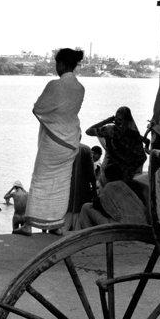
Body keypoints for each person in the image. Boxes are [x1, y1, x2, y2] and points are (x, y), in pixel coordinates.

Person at [18, 48, 86, 236]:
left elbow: (38, 108)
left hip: (54, 142)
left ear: (62, 64)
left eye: (57, 63)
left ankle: (28, 225)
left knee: (40, 179)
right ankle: (56, 225)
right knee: (62, 184)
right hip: (71, 140)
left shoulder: (54, 85)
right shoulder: (80, 88)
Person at [85, 107, 148, 183]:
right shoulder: (134, 134)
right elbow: (141, 155)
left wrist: (106, 121)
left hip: (110, 170)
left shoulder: (110, 130)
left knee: (108, 191)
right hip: (126, 174)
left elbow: (88, 131)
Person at [64, 144, 97, 231]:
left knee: (64, 227)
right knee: (79, 227)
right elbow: (91, 173)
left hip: (65, 196)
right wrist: (94, 189)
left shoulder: (64, 147)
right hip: (82, 194)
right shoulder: (85, 149)